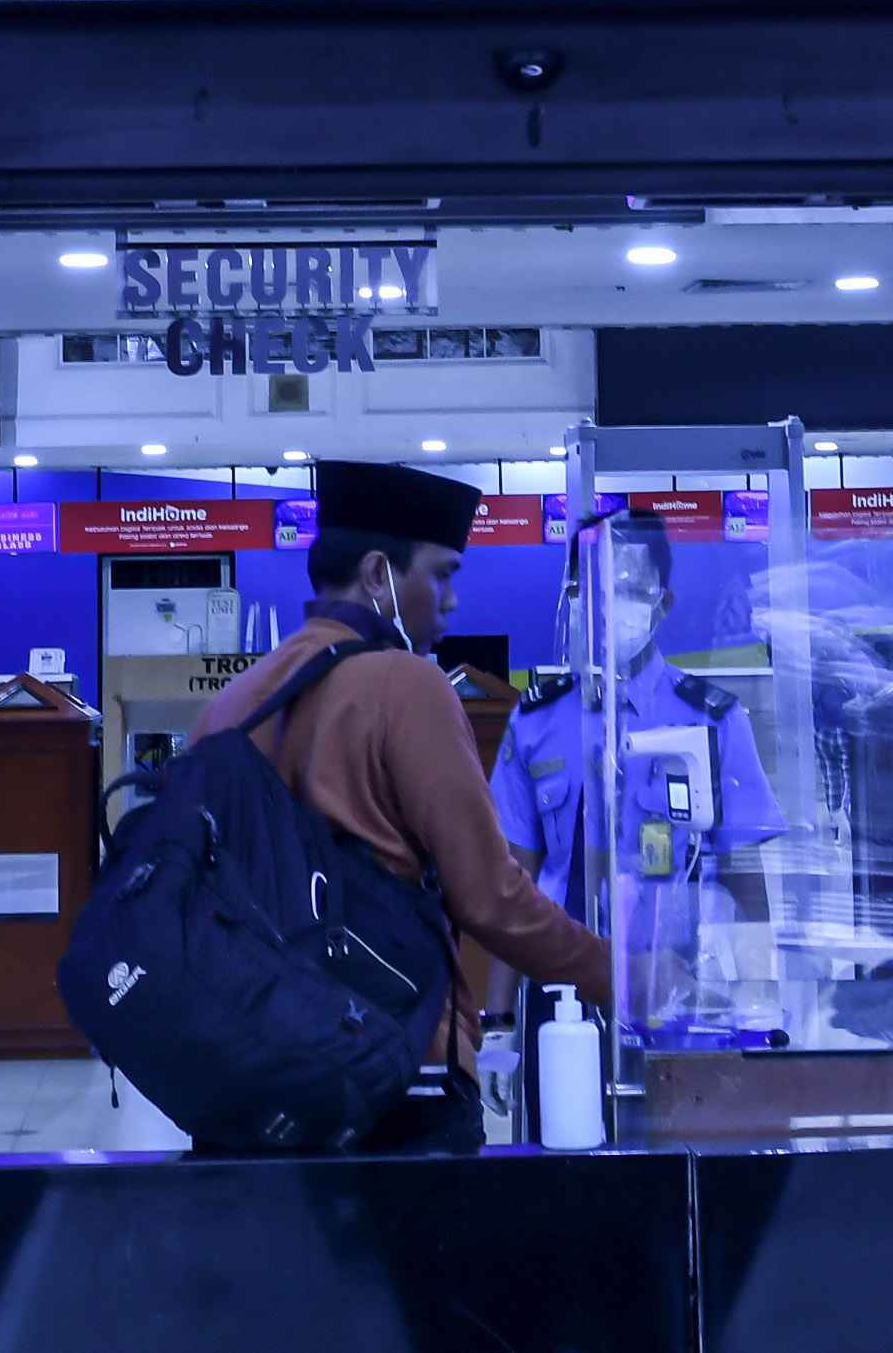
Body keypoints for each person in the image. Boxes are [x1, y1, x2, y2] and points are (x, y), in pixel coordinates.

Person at [190, 459, 612, 1151]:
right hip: (399, 1072)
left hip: (255, 1077)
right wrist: (616, 975)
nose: (450, 602)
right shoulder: (408, 685)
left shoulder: (231, 705)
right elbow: (491, 898)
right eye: (441, 574)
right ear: (379, 573)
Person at [495, 511, 786, 1024]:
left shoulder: (711, 720)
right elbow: (512, 884)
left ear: (663, 603)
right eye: (594, 586)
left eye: (630, 587)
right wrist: (497, 1023)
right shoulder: (535, 720)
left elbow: (746, 885)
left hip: (675, 985)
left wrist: (758, 998)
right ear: (574, 597)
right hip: (557, 990)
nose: (610, 605)